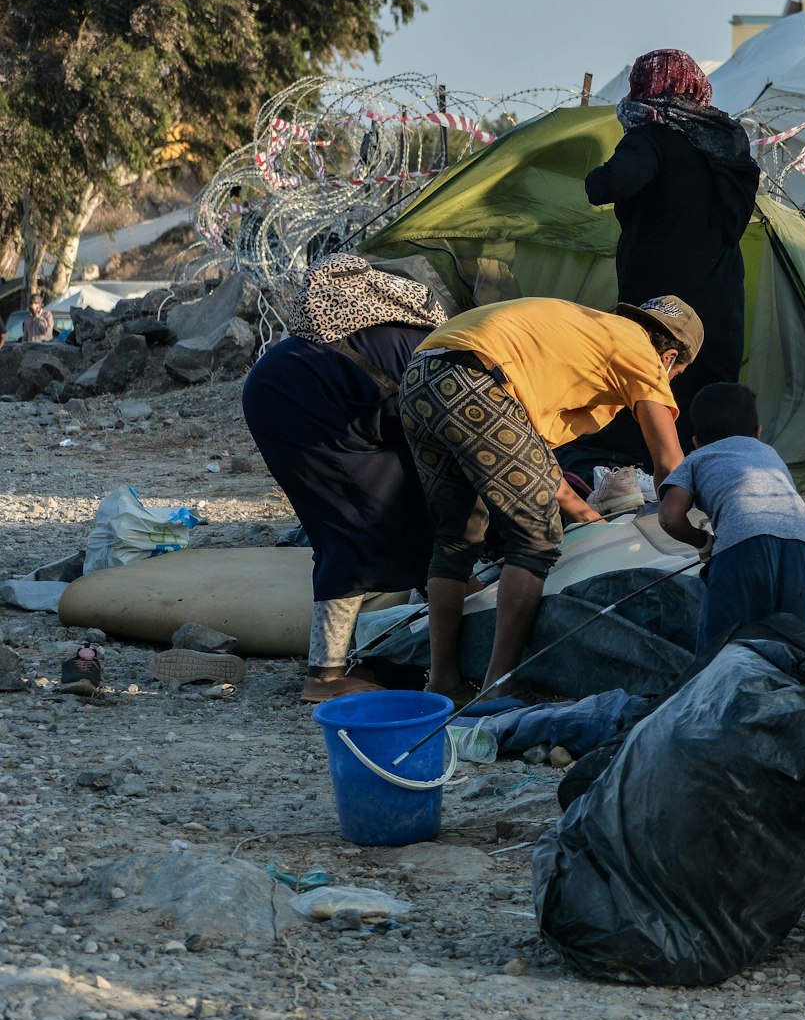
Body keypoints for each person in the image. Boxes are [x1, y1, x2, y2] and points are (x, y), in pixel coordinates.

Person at [400, 294, 704, 697]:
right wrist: (694, 530)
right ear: (668, 358)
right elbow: (669, 462)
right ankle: (498, 687)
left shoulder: (581, 336)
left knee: (457, 537)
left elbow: (533, 465)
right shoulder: (639, 350)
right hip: (474, 382)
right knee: (536, 540)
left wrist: (589, 518)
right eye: (676, 375)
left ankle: (442, 682)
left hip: (421, 377)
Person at [242, 254, 448, 702]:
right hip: (302, 407)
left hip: (287, 394)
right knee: (360, 523)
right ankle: (326, 677)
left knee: (406, 510)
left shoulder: (406, 336)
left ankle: (438, 629)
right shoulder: (437, 353)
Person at [569, 49, 760, 478]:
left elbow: (607, 185)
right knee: (712, 391)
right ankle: (724, 476)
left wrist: (592, 172)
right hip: (720, 291)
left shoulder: (652, 136)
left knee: (652, 384)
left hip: (661, 301)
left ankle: (654, 481)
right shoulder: (724, 142)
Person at [656, 382, 805, 655]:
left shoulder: (697, 458)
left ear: (696, 441)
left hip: (743, 544)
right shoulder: (769, 453)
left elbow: (670, 518)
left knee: (720, 650)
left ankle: (715, 694)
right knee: (791, 645)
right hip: (801, 541)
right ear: (758, 432)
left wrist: (705, 543)